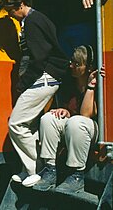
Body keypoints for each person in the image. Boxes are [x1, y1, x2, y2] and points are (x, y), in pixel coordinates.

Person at [0, 0, 69, 187]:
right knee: (29, 124)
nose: (12, 15)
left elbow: (39, 59)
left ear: (20, 4)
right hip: (48, 77)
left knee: (16, 123)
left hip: (44, 78)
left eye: (12, 10)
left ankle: (34, 169)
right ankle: (28, 168)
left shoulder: (32, 22)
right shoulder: (37, 19)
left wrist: (23, 84)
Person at [33, 45, 105, 193]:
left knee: (76, 122)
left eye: (77, 64)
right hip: (73, 127)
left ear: (88, 67)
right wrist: (64, 110)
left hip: (92, 130)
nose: (71, 65)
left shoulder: (99, 84)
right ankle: (50, 170)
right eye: (72, 61)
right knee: (48, 119)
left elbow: (86, 114)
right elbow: (67, 108)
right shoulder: (68, 80)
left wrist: (91, 86)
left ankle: (76, 175)